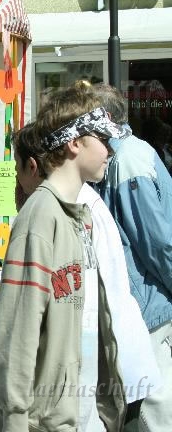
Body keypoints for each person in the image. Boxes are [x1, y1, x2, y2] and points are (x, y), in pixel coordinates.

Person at [0, 84, 128, 431]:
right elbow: (16, 332)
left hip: (68, 413)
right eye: (102, 139)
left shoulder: (74, 215)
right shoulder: (41, 218)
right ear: (74, 143)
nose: (109, 150)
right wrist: (16, 418)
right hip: (39, 420)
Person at [14, 121, 161, 408]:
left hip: (98, 367)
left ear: (31, 166)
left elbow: (77, 299)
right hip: (107, 361)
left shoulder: (65, 208)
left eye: (17, 169)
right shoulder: (76, 201)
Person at [92, 83, 172, 432]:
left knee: (155, 406)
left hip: (149, 302)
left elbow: (157, 243)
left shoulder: (127, 159)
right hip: (146, 298)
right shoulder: (123, 155)